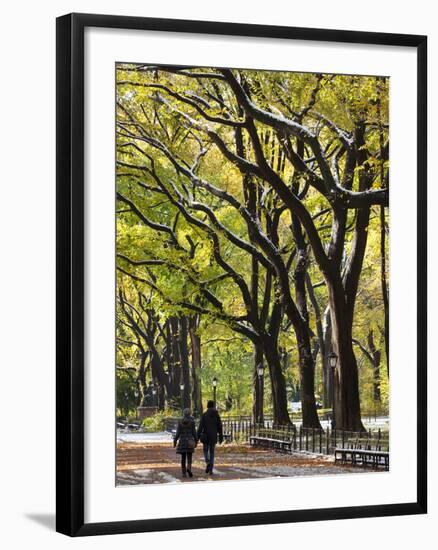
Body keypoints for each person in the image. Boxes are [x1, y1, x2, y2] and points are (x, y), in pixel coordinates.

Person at [197, 400, 223, 475]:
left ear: (207, 406)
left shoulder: (204, 415)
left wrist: (197, 437)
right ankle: (211, 469)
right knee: (212, 452)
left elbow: (200, 427)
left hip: (205, 436)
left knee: (205, 451)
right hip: (213, 436)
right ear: (213, 406)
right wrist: (220, 436)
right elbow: (220, 426)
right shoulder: (216, 415)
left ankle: (207, 461)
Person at [174, 408, 197, 478]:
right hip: (190, 441)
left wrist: (175, 441)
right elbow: (194, 432)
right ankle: (189, 468)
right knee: (189, 457)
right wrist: (196, 440)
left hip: (182, 441)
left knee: (183, 458)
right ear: (189, 413)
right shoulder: (192, 422)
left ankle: (184, 473)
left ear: (184, 413)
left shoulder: (180, 421)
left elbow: (178, 433)